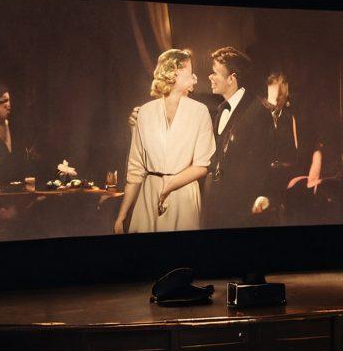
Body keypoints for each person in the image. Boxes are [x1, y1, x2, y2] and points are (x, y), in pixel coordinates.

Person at [114, 49, 215, 235]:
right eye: (189, 70)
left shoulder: (199, 112)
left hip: (184, 196)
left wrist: (168, 186)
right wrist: (122, 215)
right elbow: (135, 169)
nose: (194, 76)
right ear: (175, 72)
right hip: (149, 197)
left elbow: (202, 164)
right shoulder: (145, 112)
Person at [203, 47, 275, 229]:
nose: (210, 77)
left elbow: (264, 161)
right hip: (216, 207)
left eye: (215, 73)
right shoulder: (220, 110)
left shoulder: (258, 112)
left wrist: (261, 197)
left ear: (232, 79)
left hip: (242, 211)